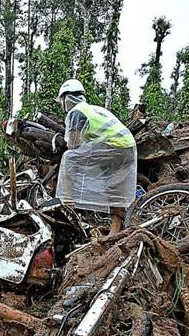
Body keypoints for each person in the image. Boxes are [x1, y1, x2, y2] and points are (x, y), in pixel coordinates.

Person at [53, 79, 138, 235]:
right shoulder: (93, 109)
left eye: (62, 100)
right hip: (127, 148)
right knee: (114, 189)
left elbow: (73, 144)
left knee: (69, 157)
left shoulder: (77, 112)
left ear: (67, 98)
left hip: (114, 146)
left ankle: (67, 202)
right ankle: (115, 232)